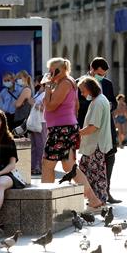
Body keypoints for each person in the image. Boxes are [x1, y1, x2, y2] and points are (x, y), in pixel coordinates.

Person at [41, 57, 102, 207]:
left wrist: (47, 90)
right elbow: (75, 106)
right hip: (65, 127)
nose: (49, 73)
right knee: (69, 166)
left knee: (47, 165)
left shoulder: (64, 83)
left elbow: (50, 106)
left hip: (61, 129)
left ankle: (44, 201)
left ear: (60, 70)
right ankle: (93, 200)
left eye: (52, 70)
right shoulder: (67, 83)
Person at [77, 57, 120, 203]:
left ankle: (104, 193)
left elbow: (114, 102)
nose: (102, 77)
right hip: (88, 126)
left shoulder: (106, 85)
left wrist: (108, 106)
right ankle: (94, 194)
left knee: (107, 159)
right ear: (92, 69)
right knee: (88, 166)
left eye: (104, 74)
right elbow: (78, 104)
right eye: (99, 74)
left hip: (103, 126)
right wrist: (90, 101)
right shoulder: (81, 83)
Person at [28, 75, 48, 176]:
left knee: (40, 145)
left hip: (42, 122)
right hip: (35, 121)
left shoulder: (46, 94)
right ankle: (32, 166)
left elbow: (45, 109)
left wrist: (34, 104)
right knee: (33, 145)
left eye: (36, 82)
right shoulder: (38, 93)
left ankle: (40, 167)